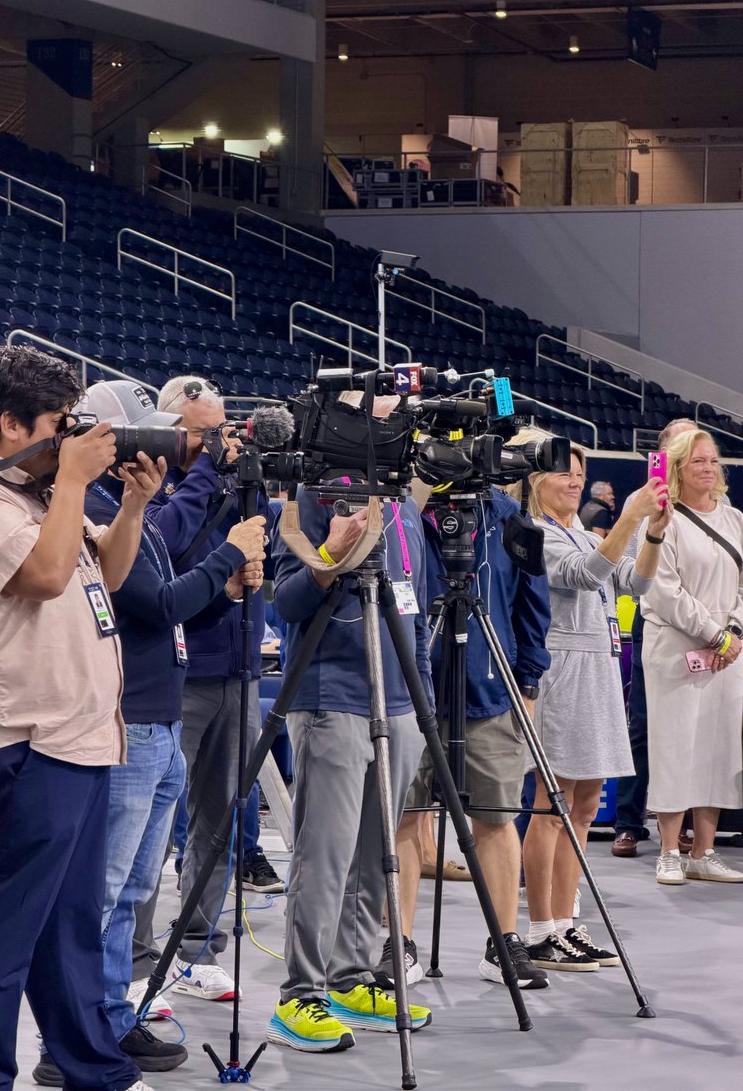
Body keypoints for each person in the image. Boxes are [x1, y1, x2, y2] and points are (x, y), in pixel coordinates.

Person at [32, 380, 267, 1086]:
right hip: (129, 726)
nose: (162, 448)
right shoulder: (92, 513)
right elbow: (152, 602)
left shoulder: (132, 510)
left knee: (133, 892)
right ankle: (67, 1039)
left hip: (158, 723)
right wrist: (226, 556)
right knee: (102, 893)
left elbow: (164, 611)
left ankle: (106, 1018)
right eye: (148, 434)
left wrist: (221, 584)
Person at [0, 345, 152, 1091]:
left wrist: (130, 505)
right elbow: (43, 576)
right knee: (0, 929)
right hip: (16, 740)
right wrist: (71, 484)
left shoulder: (32, 494)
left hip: (76, 737)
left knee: (69, 929)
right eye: (60, 426)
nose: (69, 440)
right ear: (10, 421)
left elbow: (107, 575)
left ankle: (92, 1068)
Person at [266, 400, 434, 1053]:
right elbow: (284, 603)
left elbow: (413, 611)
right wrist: (327, 558)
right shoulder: (312, 496)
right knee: (326, 857)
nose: (396, 433)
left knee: (375, 856)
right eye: (384, 418)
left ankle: (353, 976)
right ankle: (300, 997)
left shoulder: (406, 509)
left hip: (398, 706)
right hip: (332, 696)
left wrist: (421, 706)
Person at [137, 375, 277, 1003]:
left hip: (237, 670)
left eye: (221, 431)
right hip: (177, 678)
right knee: (146, 826)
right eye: (201, 432)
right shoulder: (145, 486)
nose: (214, 444)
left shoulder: (235, 487)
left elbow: (253, 563)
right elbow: (165, 544)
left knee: (220, 819)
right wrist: (203, 480)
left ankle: (196, 946)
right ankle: (136, 965)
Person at [385, 485, 552, 992]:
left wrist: (527, 680)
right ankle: (400, 942)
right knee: (407, 816)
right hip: (412, 690)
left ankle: (504, 944)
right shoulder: (400, 510)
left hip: (490, 693)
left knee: (497, 820)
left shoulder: (503, 515)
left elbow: (531, 599)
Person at [518, 438, 670, 968]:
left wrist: (652, 530)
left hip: (601, 669)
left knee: (582, 808)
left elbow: (639, 581)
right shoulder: (535, 533)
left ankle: (566, 922)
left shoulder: (583, 532)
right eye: (564, 471)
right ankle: (540, 929)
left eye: (580, 472)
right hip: (564, 669)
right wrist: (629, 519)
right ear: (536, 479)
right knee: (551, 804)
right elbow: (585, 575)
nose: (575, 479)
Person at [640, 429, 743, 886]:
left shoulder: (734, 520)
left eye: (712, 461)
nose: (708, 469)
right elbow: (664, 589)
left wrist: (732, 634)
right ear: (677, 468)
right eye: (697, 462)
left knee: (717, 747)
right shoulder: (662, 518)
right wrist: (713, 633)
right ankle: (669, 849)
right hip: (676, 645)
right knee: (675, 745)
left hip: (727, 651)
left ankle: (703, 850)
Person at [612, 418, 697, 858]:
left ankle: (684, 826)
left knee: (691, 732)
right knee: (642, 727)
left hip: (701, 628)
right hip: (653, 624)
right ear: (663, 453)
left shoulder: (713, 505)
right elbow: (627, 575)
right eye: (678, 443)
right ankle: (629, 822)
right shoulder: (639, 501)